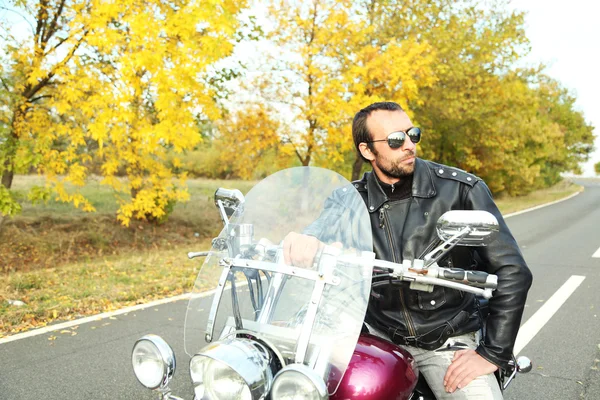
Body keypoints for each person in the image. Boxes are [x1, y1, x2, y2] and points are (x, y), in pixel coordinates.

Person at [283, 101, 532, 399]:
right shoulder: (348, 199)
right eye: (396, 140)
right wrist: (303, 242)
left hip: (446, 338)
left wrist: (492, 353)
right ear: (367, 151)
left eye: (412, 134)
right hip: (377, 335)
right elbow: (317, 234)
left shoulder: (460, 190)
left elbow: (513, 271)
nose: (409, 145)